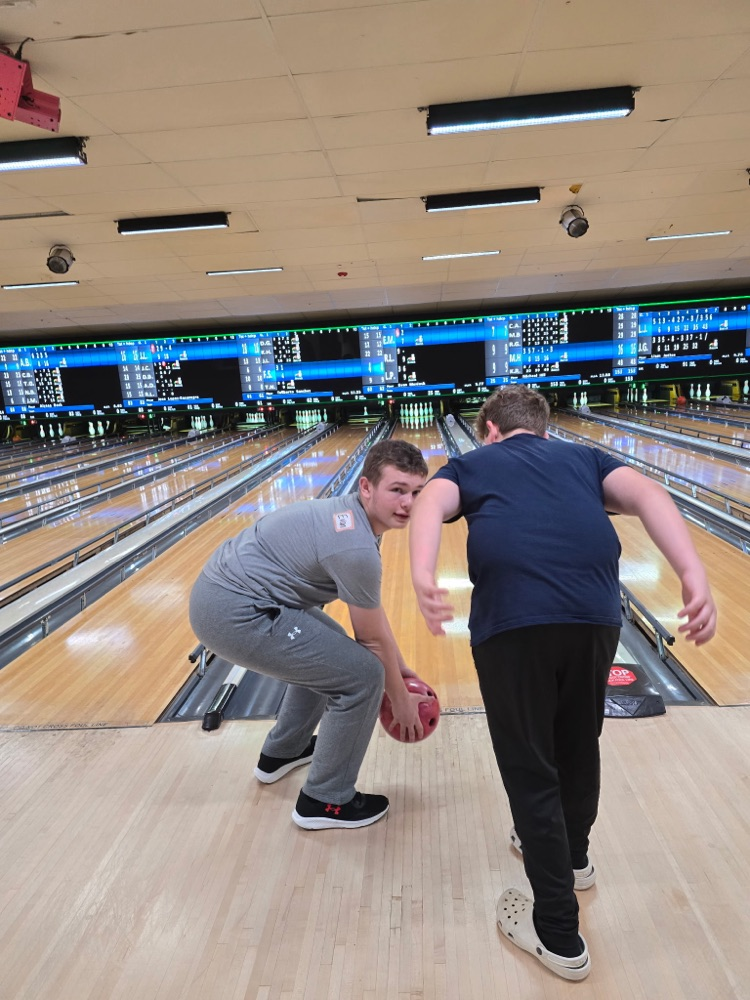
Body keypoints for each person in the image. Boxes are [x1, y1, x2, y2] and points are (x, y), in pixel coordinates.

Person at [408, 385, 716, 982]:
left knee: (530, 769)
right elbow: (649, 494)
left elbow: (429, 503)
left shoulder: (471, 462)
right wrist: (692, 571)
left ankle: (557, 932)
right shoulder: (585, 459)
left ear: (490, 429)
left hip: (514, 625)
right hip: (595, 617)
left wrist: (423, 572)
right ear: (544, 429)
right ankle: (574, 859)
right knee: (578, 745)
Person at [189, 439, 429, 831]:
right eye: (397, 490)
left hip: (227, 596)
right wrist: (398, 700)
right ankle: (325, 800)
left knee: (334, 655)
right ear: (366, 487)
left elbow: (373, 622)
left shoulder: (353, 517)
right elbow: (369, 640)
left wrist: (401, 673)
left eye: (417, 492)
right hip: (237, 612)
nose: (408, 503)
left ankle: (284, 752)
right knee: (362, 677)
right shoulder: (355, 547)